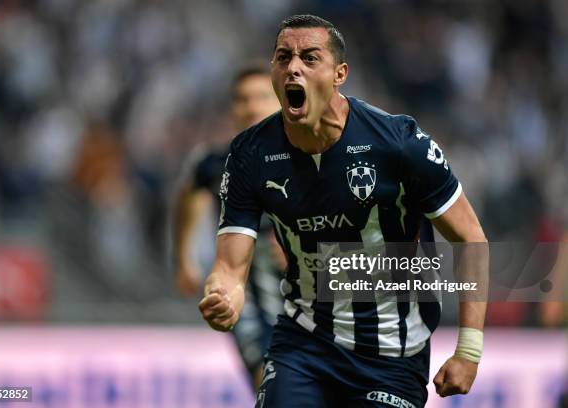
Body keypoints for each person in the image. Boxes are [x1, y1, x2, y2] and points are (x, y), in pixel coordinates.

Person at [198, 14, 488, 408]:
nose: (293, 66)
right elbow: (230, 268)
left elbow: (470, 238)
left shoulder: (398, 143)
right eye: (283, 57)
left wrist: (468, 349)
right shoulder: (251, 154)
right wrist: (224, 296)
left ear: (339, 74)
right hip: (304, 343)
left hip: (392, 354)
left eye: (309, 57)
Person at [174, 66, 285, 388]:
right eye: (242, 99)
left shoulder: (313, 159)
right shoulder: (215, 164)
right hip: (247, 297)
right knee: (269, 384)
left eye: (262, 97)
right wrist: (183, 257)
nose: (251, 107)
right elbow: (187, 198)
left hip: (312, 297)